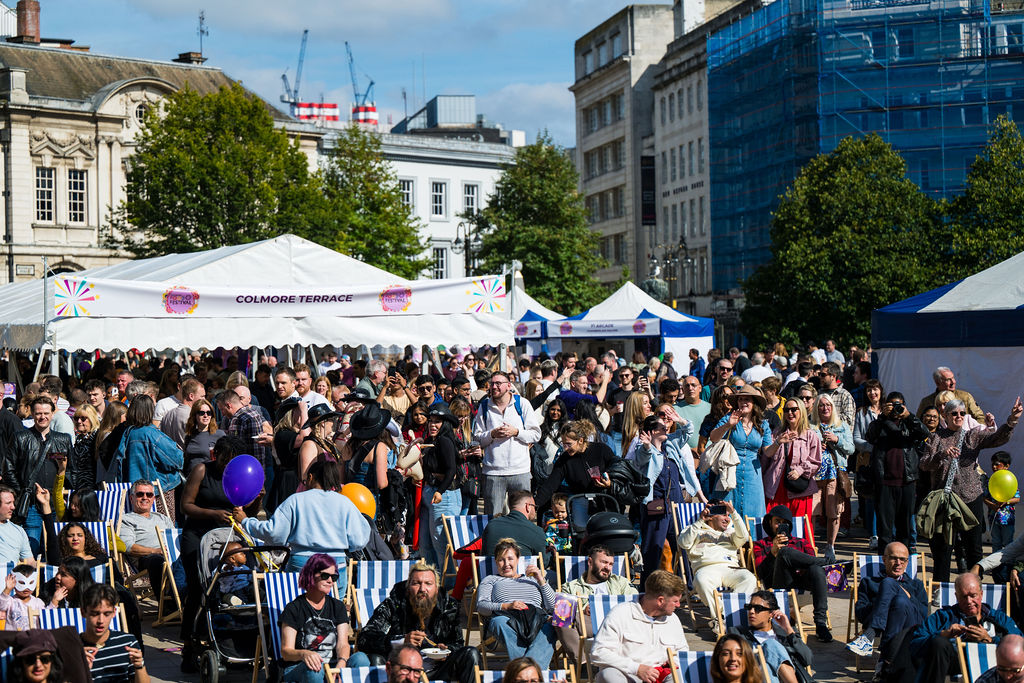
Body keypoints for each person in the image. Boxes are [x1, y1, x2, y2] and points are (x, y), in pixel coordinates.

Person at [920, 396, 1022, 583]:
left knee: (974, 548)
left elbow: (997, 438)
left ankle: (976, 588)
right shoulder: (935, 437)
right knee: (943, 549)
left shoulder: (971, 435)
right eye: (954, 414)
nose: (959, 416)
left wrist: (1012, 420)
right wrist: (942, 454)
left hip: (970, 497)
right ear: (945, 415)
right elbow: (924, 464)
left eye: (962, 413)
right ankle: (940, 589)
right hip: (946, 500)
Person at [236, 456, 371, 577]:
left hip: (303, 564)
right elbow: (359, 539)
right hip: (335, 565)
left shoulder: (295, 500)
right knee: (335, 604)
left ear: (310, 477)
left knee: (298, 603)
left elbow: (274, 533)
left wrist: (246, 521)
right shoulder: (344, 502)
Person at [352, 561, 481, 683]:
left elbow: (458, 643)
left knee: (471, 654)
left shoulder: (448, 606)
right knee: (375, 659)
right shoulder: (394, 604)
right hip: (402, 669)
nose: (422, 589)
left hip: (436, 668)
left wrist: (447, 650)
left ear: (436, 589)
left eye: (428, 583)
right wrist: (402, 641)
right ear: (408, 587)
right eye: (416, 583)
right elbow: (365, 638)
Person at [909, 572, 1021, 683]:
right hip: (953, 663)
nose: (969, 601)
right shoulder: (943, 616)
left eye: (973, 595)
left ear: (981, 594)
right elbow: (914, 645)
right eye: (963, 596)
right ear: (956, 597)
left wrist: (989, 640)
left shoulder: (999, 618)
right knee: (939, 642)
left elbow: (1020, 646)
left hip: (990, 663)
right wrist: (943, 634)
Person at [846, 542, 928, 679]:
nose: (898, 563)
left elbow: (924, 615)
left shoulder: (916, 585)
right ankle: (887, 662)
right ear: (884, 559)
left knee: (891, 586)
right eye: (893, 558)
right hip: (890, 625)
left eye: (903, 559)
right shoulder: (869, 582)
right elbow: (861, 613)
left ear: (907, 562)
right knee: (898, 602)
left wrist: (907, 595)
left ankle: (870, 636)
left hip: (911, 625)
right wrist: (883, 602)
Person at [589, 570, 688, 683]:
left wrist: (673, 661)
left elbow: (682, 651)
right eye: (675, 601)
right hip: (627, 675)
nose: (679, 605)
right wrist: (636, 668)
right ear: (660, 601)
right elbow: (599, 652)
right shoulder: (621, 613)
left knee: (680, 677)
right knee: (608, 675)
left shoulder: (672, 619)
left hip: (660, 676)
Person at [751, 505, 832, 642]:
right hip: (777, 584)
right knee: (785, 552)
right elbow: (761, 573)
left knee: (817, 569)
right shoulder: (761, 544)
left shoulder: (802, 542)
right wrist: (773, 553)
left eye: (784, 523)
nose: (780, 526)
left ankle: (820, 624)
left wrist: (797, 563)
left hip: (802, 582)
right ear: (770, 522)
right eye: (777, 522)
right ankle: (826, 562)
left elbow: (811, 565)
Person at [4, 395, 72, 555]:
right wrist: (22, 491)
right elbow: (8, 468)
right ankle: (33, 579)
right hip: (32, 503)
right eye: (39, 413)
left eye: (46, 413)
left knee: (57, 549)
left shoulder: (63, 439)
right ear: (32, 414)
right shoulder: (20, 438)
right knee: (31, 548)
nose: (43, 417)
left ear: (53, 413)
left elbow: (72, 470)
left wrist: (66, 492)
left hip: (56, 502)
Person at [476, 538, 558, 667]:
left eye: (510, 559)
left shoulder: (532, 579)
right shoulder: (491, 580)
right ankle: (531, 671)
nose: (506, 564)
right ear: (496, 562)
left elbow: (553, 607)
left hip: (536, 618)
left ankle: (521, 670)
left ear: (518, 559)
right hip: (507, 617)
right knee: (498, 622)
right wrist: (506, 606)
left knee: (554, 623)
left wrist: (541, 580)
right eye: (501, 560)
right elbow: (481, 606)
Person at [865, 392, 930, 552]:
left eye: (899, 405)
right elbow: (870, 437)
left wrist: (908, 416)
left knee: (905, 527)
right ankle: (884, 562)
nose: (896, 408)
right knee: (885, 529)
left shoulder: (909, 423)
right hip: (884, 481)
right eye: (892, 405)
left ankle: (904, 563)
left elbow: (924, 433)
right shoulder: (880, 423)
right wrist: (882, 417)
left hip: (907, 481)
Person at [472, 371, 542, 516]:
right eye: (492, 384)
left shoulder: (522, 404)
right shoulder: (484, 406)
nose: (494, 387)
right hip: (493, 472)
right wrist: (492, 434)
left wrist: (516, 432)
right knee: (493, 517)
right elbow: (477, 438)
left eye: (498, 383)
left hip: (520, 471)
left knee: (522, 517)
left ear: (509, 386)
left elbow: (536, 434)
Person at [558, 545, 638, 665]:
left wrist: (603, 607)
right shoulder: (571, 587)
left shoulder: (620, 582)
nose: (608, 567)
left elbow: (635, 601)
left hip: (617, 624)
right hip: (589, 624)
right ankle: (584, 664)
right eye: (604, 562)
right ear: (590, 562)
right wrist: (583, 610)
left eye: (611, 564)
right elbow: (562, 610)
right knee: (561, 615)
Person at [677, 500, 757, 619]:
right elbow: (683, 543)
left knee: (749, 579)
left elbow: (744, 537)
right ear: (710, 516)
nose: (727, 519)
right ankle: (725, 617)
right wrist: (700, 521)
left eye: (728, 515)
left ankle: (725, 616)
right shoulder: (694, 529)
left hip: (731, 568)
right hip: (707, 569)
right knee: (701, 581)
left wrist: (734, 513)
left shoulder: (731, 531)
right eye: (723, 514)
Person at [278, 553, 351, 682]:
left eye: (334, 577)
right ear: (311, 575)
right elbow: (286, 652)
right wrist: (304, 654)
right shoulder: (294, 608)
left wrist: (342, 662)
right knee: (315, 669)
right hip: (299, 667)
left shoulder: (338, 606)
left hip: (332, 664)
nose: (330, 581)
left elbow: (343, 644)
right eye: (324, 576)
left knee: (360, 658)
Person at [632, 415, 686, 584]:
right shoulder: (644, 449)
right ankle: (648, 586)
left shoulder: (670, 447)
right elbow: (640, 459)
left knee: (682, 546)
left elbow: (687, 432)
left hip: (675, 505)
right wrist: (648, 446)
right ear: (653, 432)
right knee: (653, 548)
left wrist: (680, 419)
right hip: (656, 505)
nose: (666, 429)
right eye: (662, 428)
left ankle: (687, 585)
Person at [111, 396, 183, 520]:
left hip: (135, 491)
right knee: (163, 527)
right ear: (149, 410)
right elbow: (176, 460)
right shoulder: (151, 434)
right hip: (158, 491)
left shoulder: (128, 432)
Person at [708, 385, 774, 520]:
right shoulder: (729, 418)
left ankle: (752, 541)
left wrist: (779, 442)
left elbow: (768, 452)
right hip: (730, 471)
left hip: (753, 475)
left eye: (747, 399)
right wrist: (728, 425)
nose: (743, 402)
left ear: (753, 403)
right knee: (726, 511)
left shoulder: (763, 424)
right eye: (740, 399)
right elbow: (713, 437)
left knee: (753, 512)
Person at [534, 420, 616, 525]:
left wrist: (610, 483)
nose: (565, 448)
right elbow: (551, 484)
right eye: (563, 444)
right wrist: (534, 504)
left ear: (580, 440)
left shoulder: (601, 450)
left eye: (569, 444)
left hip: (604, 498)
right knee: (580, 531)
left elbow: (617, 469)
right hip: (580, 499)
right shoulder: (565, 459)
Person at [727, 590, 812, 683]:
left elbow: (807, 659)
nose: (751, 611)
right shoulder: (738, 633)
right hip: (756, 677)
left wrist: (788, 628)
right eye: (749, 607)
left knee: (769, 651)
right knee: (767, 655)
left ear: (771, 613)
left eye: (758, 608)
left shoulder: (785, 633)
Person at [418, 405, 463, 570]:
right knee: (425, 542)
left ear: (445, 424)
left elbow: (451, 470)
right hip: (431, 492)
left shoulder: (444, 440)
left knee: (442, 542)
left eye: (437, 422)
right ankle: (433, 579)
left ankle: (448, 584)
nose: (432, 425)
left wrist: (439, 491)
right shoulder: (431, 441)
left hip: (444, 495)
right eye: (431, 421)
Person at [810, 393, 854, 562]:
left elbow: (850, 449)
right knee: (813, 512)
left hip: (835, 474)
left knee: (833, 512)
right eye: (821, 405)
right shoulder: (811, 426)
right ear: (816, 408)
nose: (825, 408)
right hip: (815, 475)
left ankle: (830, 546)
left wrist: (837, 439)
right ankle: (811, 545)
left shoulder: (841, 425)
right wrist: (816, 446)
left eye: (828, 405)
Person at [763, 398, 820, 522]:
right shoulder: (777, 432)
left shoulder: (811, 435)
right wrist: (778, 442)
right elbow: (767, 455)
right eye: (786, 410)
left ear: (801, 411)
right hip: (776, 486)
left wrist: (800, 470)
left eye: (794, 409)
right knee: (774, 524)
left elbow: (815, 461)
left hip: (799, 489)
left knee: (798, 526)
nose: (790, 413)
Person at [80, 583, 149, 683]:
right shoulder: (74, 649)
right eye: (95, 614)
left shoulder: (128, 643)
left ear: (114, 613)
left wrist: (139, 666)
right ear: (83, 612)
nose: (101, 620)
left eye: (106, 614)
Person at [120, 479, 175, 584]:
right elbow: (128, 546)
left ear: (153, 499)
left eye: (149, 495)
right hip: (147, 558)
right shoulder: (126, 519)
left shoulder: (163, 518)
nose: (145, 497)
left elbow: (174, 538)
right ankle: (165, 600)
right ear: (131, 498)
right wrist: (156, 551)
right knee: (158, 561)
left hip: (170, 556)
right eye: (140, 494)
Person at [853, 379, 884, 549]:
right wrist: (872, 447)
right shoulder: (862, 413)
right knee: (871, 498)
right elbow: (856, 439)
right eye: (869, 390)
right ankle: (873, 534)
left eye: (875, 390)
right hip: (869, 460)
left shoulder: (887, 410)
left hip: (887, 462)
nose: (872, 393)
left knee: (887, 498)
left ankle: (888, 532)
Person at [481, 490, 548, 560]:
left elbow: (484, 554)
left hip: (491, 570)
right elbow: (542, 563)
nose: (535, 511)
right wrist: (551, 552)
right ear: (528, 507)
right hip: (522, 571)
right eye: (535, 507)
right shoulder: (536, 531)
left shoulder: (491, 525)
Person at [915, 366, 984, 421]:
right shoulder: (927, 402)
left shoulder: (965, 397)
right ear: (937, 383)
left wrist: (972, 433)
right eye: (948, 380)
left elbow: (980, 417)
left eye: (953, 378)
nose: (953, 382)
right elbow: (918, 422)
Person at [986, 451, 1019, 554]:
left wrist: (1006, 501)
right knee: (996, 542)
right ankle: (996, 568)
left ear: (1006, 466)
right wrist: (992, 505)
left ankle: (1007, 566)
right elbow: (984, 497)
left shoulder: (1010, 480)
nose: (994, 467)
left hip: (1007, 518)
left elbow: (1017, 498)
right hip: (993, 517)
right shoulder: (990, 481)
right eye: (993, 464)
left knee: (1008, 542)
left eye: (997, 464)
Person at [181, 398, 225, 473]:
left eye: (209, 413)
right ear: (195, 415)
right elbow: (187, 460)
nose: (205, 415)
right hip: (190, 478)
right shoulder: (189, 436)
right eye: (201, 413)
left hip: (208, 479)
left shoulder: (219, 435)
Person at [0, 563, 45, 630]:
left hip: (32, 638)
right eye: (21, 583)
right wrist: (7, 589)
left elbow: (46, 617)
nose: (26, 588)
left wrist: (54, 601)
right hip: (13, 638)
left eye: (31, 582)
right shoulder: (10, 601)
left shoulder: (38, 602)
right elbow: (2, 605)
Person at [68, 404, 100, 492]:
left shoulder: (97, 437)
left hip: (92, 486)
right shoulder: (79, 438)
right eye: (76, 418)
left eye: (83, 419)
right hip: (78, 485)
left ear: (92, 419)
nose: (79, 421)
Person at [0, 485, 33, 566]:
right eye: (8, 503)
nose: (13, 507)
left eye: (13, 503)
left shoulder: (18, 531)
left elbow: (30, 562)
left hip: (12, 576)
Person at [675, 375, 710, 452]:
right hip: (683, 455)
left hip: (707, 454)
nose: (690, 388)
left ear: (700, 388)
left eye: (693, 385)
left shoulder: (710, 408)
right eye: (687, 386)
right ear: (683, 390)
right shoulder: (675, 410)